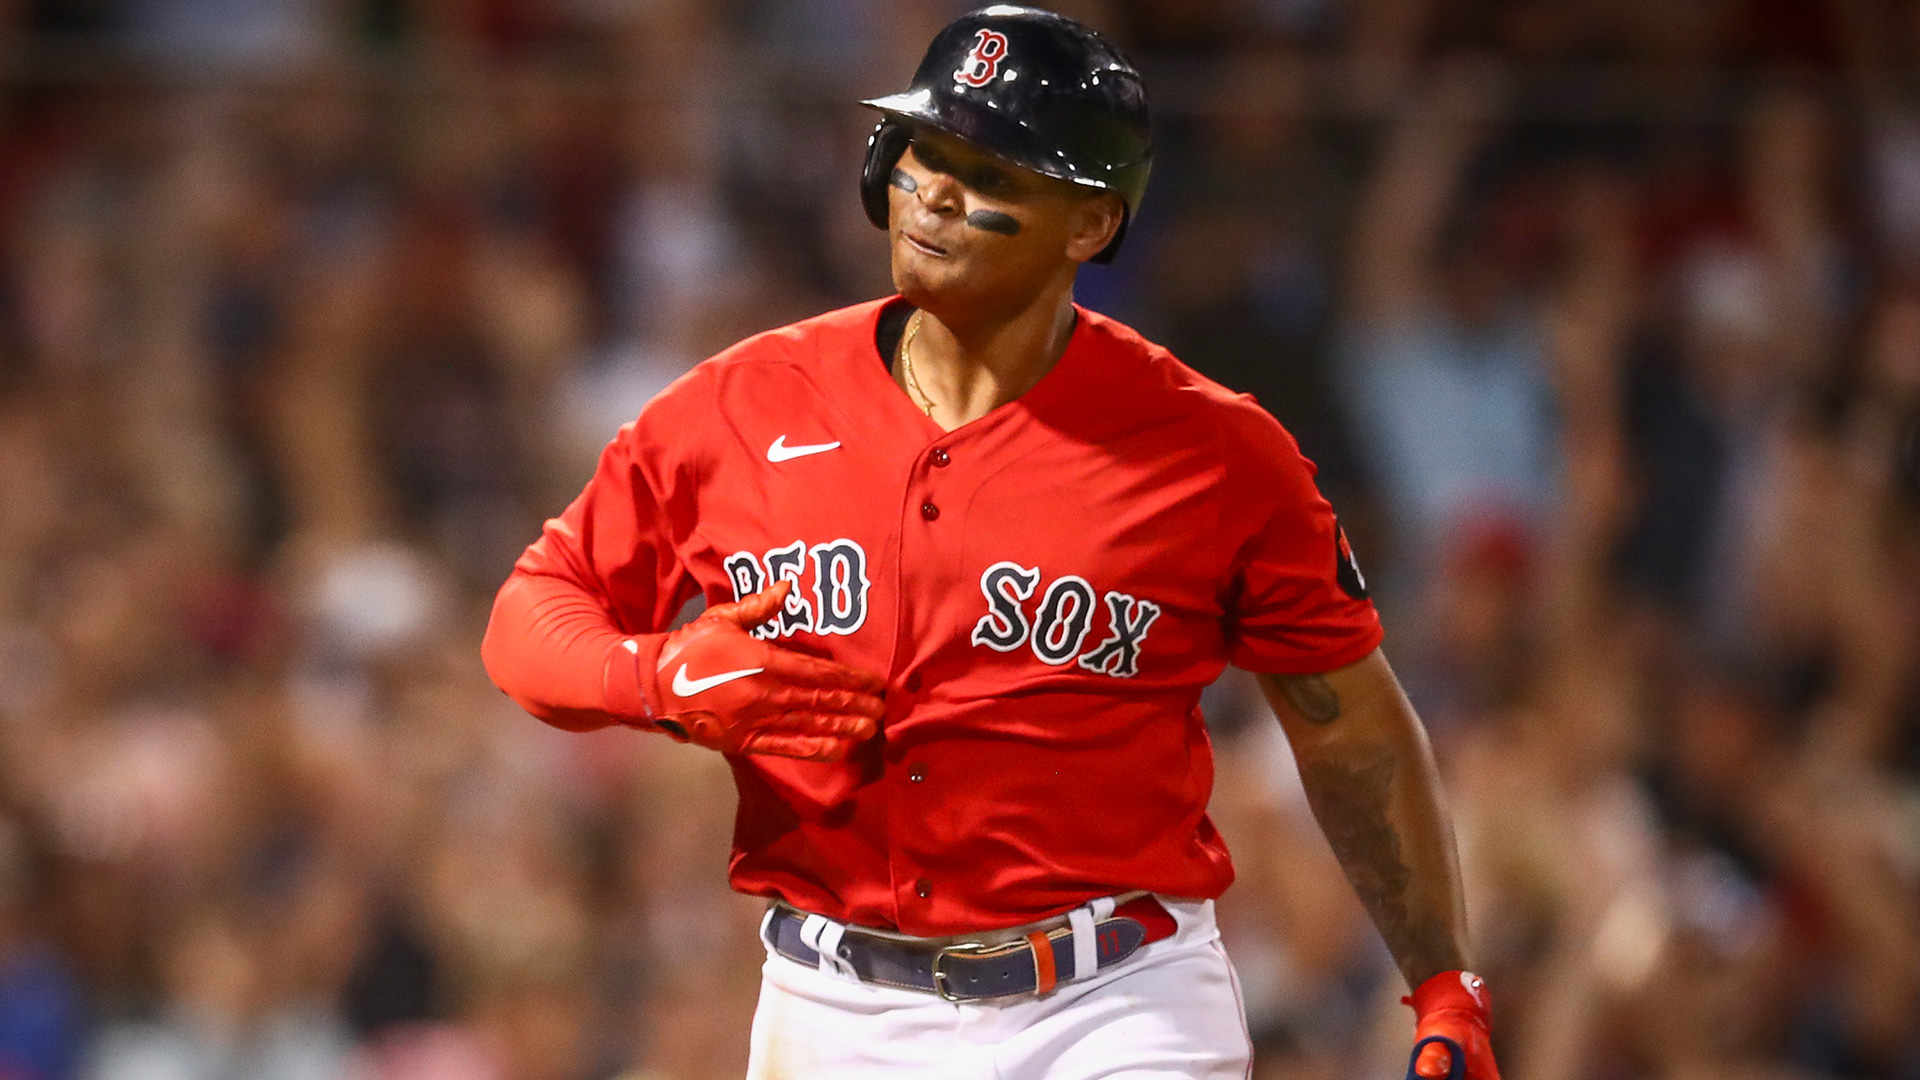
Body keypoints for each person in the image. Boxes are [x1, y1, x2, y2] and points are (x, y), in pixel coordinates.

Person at [482, 8, 1501, 1078]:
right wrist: (654, 675)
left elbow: (1350, 730)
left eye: (994, 171)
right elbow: (529, 617)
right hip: (834, 1008)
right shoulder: (743, 403)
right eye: (927, 151)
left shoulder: (1215, 454)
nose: (937, 193)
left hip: (1115, 1002)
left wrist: (1444, 979)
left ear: (1089, 224)